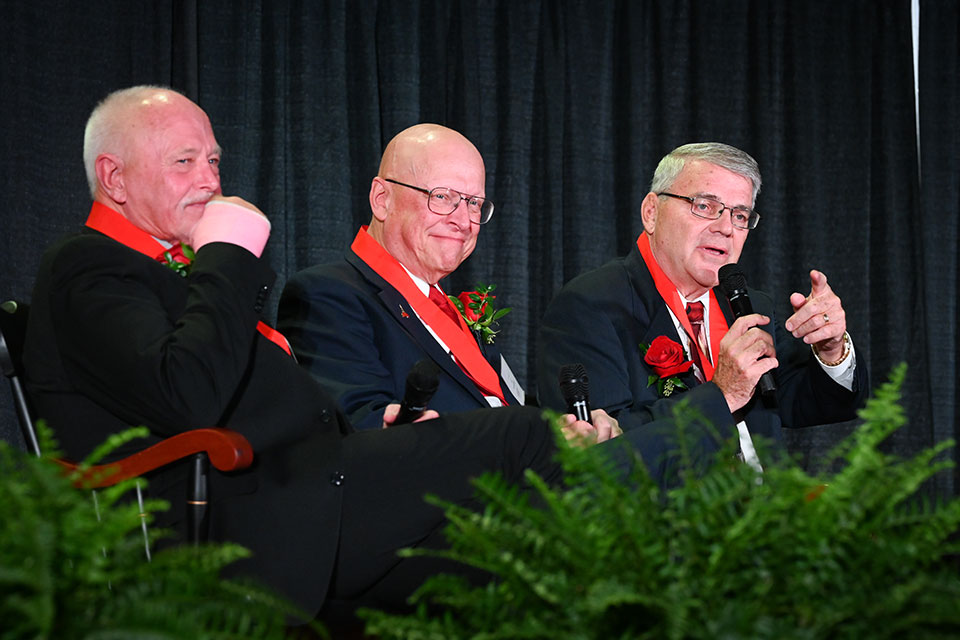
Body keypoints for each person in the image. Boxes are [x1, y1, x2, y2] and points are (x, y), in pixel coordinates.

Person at [21, 86, 574, 625]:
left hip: (306, 492)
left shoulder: (182, 270)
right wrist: (227, 254)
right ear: (115, 178)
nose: (210, 180)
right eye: (184, 162)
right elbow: (186, 393)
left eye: (214, 160)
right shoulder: (87, 264)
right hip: (244, 518)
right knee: (525, 434)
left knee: (503, 563)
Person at [537, 142, 869, 483]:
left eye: (739, 215)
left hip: (767, 514)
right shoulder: (590, 307)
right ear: (651, 212)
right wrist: (722, 395)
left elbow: (819, 402)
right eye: (705, 206)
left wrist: (831, 351)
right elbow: (609, 459)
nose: (726, 227)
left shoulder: (748, 306)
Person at [276, 125, 524, 427]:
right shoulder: (328, 295)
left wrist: (557, 427)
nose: (462, 221)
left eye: (473, 203)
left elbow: (497, 402)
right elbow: (363, 423)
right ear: (382, 199)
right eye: (442, 196)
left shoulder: (447, 308)